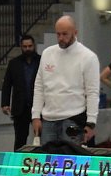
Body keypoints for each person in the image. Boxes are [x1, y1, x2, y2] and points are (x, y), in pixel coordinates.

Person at [31, 15, 100, 145]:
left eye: (65, 34)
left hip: (73, 119)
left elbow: (92, 92)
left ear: (75, 32)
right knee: (47, 162)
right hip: (48, 119)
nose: (61, 38)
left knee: (72, 162)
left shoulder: (88, 57)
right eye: (58, 34)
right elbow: (39, 86)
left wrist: (91, 123)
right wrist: (35, 116)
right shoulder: (47, 53)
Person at [2, 34, 40, 150]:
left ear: (34, 46)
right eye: (25, 46)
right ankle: (17, 164)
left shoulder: (42, 61)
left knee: (41, 139)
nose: (28, 49)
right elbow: (7, 84)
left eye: (30, 46)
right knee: (20, 140)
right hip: (20, 108)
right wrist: (5, 103)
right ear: (21, 47)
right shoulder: (14, 63)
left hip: (38, 107)